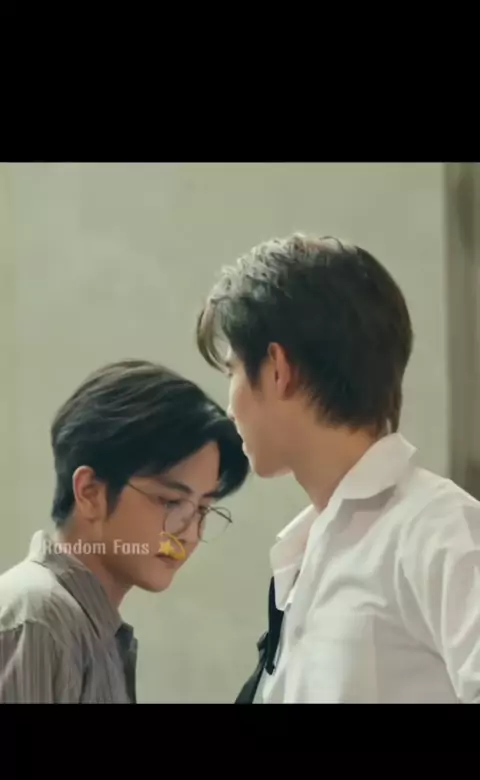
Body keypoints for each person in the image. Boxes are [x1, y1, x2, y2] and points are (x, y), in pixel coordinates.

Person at [196, 233, 480, 704]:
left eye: (232, 372)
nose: (229, 407)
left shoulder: (438, 530)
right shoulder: (308, 550)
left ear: (277, 368)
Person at [0, 359, 249, 703]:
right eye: (170, 502)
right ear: (90, 492)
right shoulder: (40, 621)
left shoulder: (88, 628)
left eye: (203, 509)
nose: (189, 534)